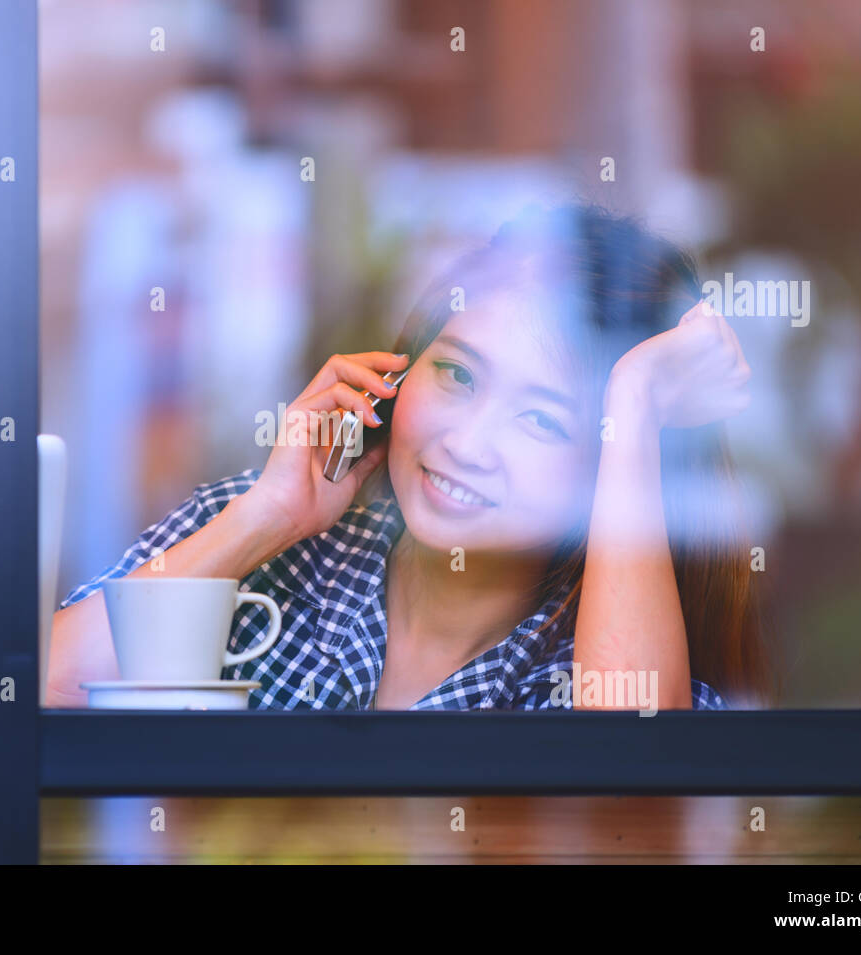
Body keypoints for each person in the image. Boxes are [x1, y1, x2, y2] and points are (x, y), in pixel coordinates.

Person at [46, 201, 771, 711]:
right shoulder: (253, 535)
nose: (466, 442)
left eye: (543, 419)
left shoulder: (603, 655)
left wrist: (635, 398)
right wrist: (264, 518)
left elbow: (634, 782)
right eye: (456, 374)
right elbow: (39, 697)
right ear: (398, 371)